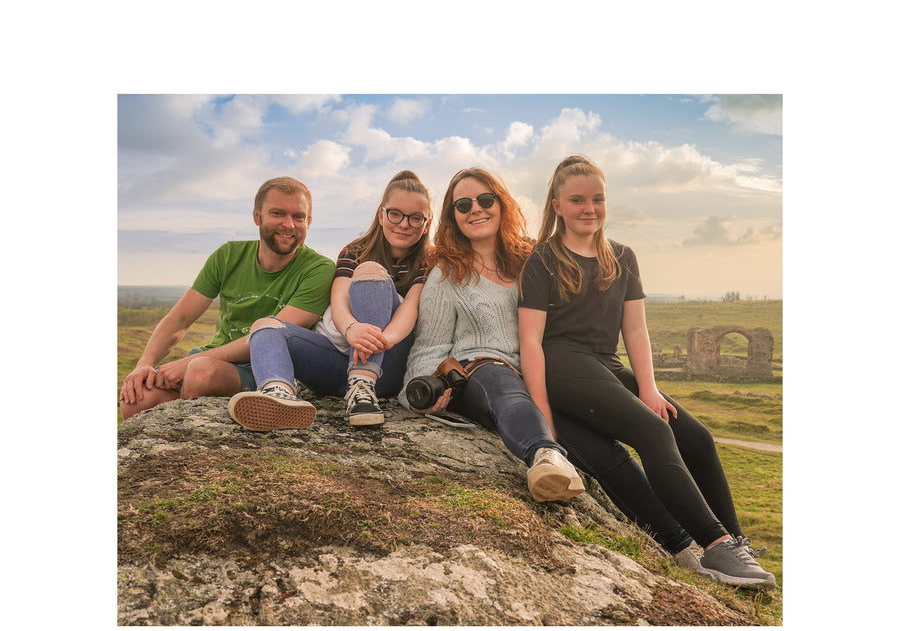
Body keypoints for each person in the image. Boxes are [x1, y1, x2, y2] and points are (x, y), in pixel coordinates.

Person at [518, 155, 776, 588]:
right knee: (652, 433)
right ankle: (715, 549)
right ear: (557, 205)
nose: (589, 208)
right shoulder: (543, 260)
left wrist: (650, 389)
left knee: (693, 434)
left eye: (597, 199)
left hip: (606, 362)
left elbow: (635, 328)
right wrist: (542, 416)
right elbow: (530, 341)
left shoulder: (622, 256)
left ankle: (736, 540)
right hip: (562, 363)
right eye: (577, 200)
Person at [398, 167, 585, 503]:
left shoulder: (531, 260)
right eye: (463, 205)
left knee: (609, 447)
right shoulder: (447, 272)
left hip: (537, 375)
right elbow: (429, 347)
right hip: (479, 372)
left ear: (502, 204)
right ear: (453, 217)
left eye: (485, 199)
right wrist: (422, 392)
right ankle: (545, 457)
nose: (476, 209)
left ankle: (684, 539)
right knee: (502, 384)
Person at [227, 170, 433, 430]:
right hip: (332, 364)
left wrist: (382, 340)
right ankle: (278, 395)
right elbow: (338, 299)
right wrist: (351, 328)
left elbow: (411, 308)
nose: (404, 224)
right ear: (381, 214)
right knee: (265, 326)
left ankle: (362, 386)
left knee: (370, 272)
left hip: (384, 368)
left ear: (427, 223)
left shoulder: (428, 260)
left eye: (416, 218)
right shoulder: (354, 251)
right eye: (395, 214)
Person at [119, 177, 335, 420]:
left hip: (270, 370)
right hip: (211, 359)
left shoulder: (319, 269)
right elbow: (179, 319)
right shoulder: (228, 256)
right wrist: (144, 364)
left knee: (200, 373)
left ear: (309, 221)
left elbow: (271, 337)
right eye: (278, 213)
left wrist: (192, 363)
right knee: (135, 399)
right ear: (257, 217)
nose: (289, 224)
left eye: (299, 217)